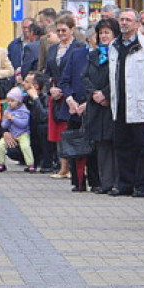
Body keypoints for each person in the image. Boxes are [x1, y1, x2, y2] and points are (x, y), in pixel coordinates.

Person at [108, 8, 144, 196]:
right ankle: (125, 184)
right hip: (119, 103)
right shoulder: (114, 45)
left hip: (140, 103)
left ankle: (142, 185)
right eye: (121, 19)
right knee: (122, 145)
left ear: (137, 24)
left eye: (128, 20)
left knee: (142, 146)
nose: (124, 23)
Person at [45, 14, 89, 182]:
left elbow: (79, 74)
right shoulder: (52, 49)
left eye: (64, 30)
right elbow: (46, 73)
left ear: (72, 30)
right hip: (56, 95)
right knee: (58, 132)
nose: (61, 33)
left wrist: (67, 91)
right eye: (58, 30)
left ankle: (74, 168)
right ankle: (63, 167)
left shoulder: (79, 47)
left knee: (71, 131)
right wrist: (51, 89)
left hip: (71, 95)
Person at [82, 18, 119, 194]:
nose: (103, 36)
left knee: (113, 144)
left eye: (107, 32)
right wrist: (94, 94)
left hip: (111, 104)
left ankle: (116, 182)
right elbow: (85, 77)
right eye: (101, 33)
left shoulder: (119, 53)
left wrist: (105, 93)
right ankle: (104, 183)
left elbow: (119, 78)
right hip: (96, 106)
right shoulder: (93, 55)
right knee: (101, 145)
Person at [0, 87, 33, 172]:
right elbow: (4, 125)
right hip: (12, 133)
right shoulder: (7, 110)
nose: (10, 103)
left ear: (18, 101)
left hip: (22, 133)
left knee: (25, 146)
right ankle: (1, 163)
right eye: (8, 101)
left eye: (12, 101)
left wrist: (13, 119)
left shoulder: (23, 111)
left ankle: (30, 164)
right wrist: (7, 119)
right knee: (0, 145)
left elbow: (23, 124)